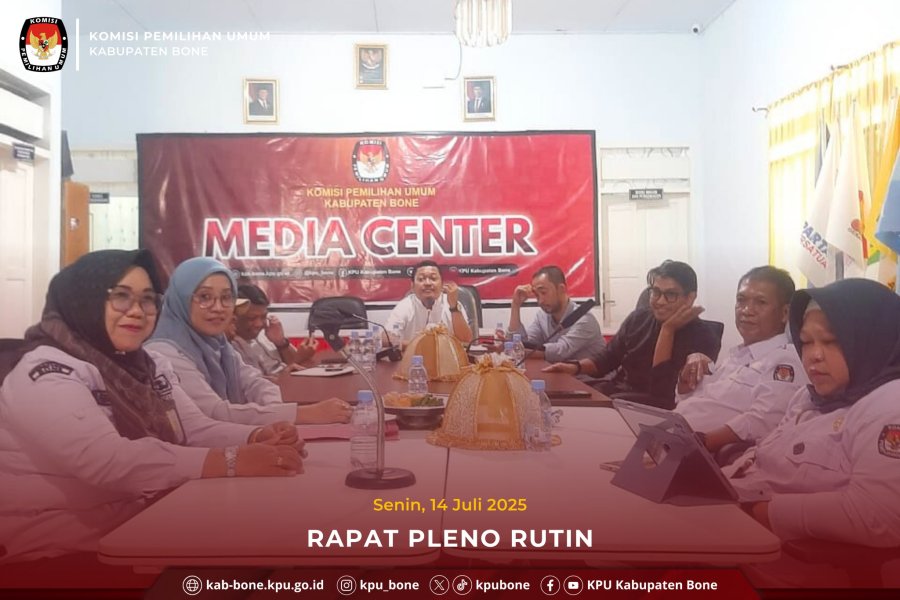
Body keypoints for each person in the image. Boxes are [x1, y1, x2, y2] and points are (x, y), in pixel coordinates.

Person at [0, 250, 303, 562]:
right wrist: (229, 460)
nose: (137, 311)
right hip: (62, 548)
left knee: (280, 530)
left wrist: (256, 436)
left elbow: (192, 429)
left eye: (147, 299)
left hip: (140, 516)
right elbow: (107, 461)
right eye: (121, 297)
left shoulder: (147, 363)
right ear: (83, 300)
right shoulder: (46, 371)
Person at [732, 278, 900, 552]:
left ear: (875, 340)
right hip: (733, 509)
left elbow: (878, 515)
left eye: (832, 341)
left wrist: (756, 512)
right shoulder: (810, 397)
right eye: (806, 342)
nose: (813, 356)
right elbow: (764, 459)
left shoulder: (889, 404)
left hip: (773, 553)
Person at [146, 257, 352, 426]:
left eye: (226, 297)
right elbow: (214, 413)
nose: (218, 307)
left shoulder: (218, 345)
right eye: (205, 297)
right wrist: (302, 414)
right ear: (181, 300)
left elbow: (256, 383)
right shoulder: (164, 352)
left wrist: (277, 413)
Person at [543, 260, 721, 407]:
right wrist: (574, 367)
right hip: (618, 392)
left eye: (671, 295)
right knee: (557, 397)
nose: (660, 301)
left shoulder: (704, 337)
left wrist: (667, 330)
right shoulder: (639, 318)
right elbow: (608, 358)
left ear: (690, 298)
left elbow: (663, 392)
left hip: (648, 407)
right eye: (655, 292)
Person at [673, 266, 807, 453]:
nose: (746, 310)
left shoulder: (785, 360)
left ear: (785, 313)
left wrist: (701, 443)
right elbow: (695, 402)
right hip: (671, 437)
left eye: (760, 302)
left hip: (698, 452)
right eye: (741, 300)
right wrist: (684, 384)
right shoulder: (736, 355)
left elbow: (764, 420)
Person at [506, 265, 605, 362]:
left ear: (561, 289)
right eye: (536, 295)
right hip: (558, 372)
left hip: (588, 373)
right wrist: (515, 305)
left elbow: (560, 352)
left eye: (544, 293)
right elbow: (524, 342)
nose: (540, 301)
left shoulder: (585, 320)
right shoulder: (542, 316)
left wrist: (517, 348)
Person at [232, 284, 316, 377]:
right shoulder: (232, 346)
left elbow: (293, 365)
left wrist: (281, 343)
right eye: (251, 318)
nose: (259, 324)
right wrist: (300, 358)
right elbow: (255, 382)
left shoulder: (266, 333)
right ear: (234, 318)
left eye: (263, 316)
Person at [384, 260, 473, 344]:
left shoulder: (452, 303)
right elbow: (385, 338)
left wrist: (453, 307)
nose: (427, 283)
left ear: (442, 284)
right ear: (412, 286)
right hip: (414, 355)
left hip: (447, 355)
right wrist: (417, 345)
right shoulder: (405, 306)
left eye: (433, 278)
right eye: (421, 279)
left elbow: (466, 340)